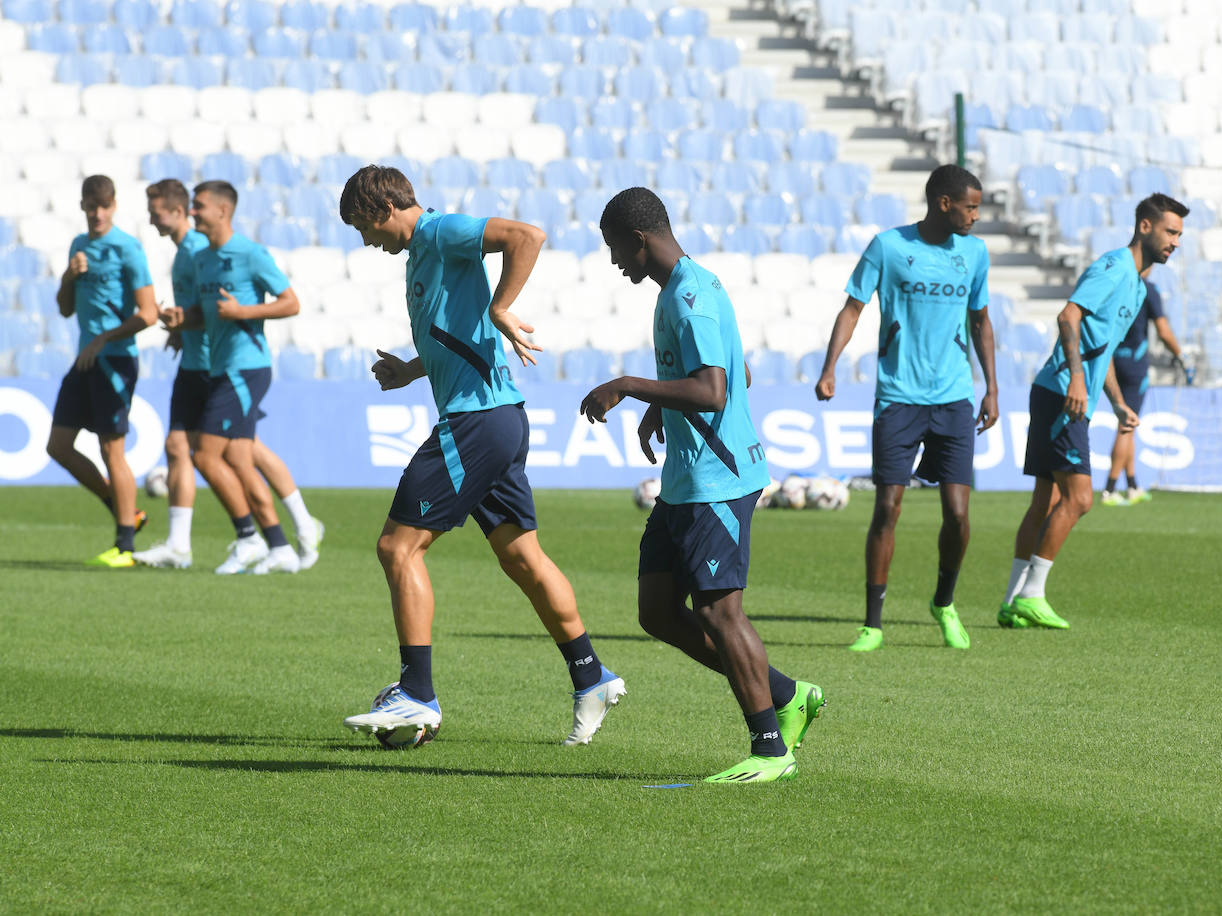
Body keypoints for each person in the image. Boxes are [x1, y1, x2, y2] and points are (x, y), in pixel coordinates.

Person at [335, 165, 624, 748]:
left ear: (385, 206)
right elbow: (452, 335)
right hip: (500, 418)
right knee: (522, 558)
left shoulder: (438, 232)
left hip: (477, 421)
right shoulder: (422, 257)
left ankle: (417, 694)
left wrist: (502, 305)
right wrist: (410, 370)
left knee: (398, 545)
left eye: (364, 226)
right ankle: (591, 676)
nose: (367, 241)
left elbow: (526, 236)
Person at [581, 186, 823, 784]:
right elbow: (730, 369)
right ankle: (788, 695)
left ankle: (771, 750)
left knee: (719, 612)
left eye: (616, 249)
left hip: (717, 479)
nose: (614, 263)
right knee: (658, 611)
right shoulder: (687, 288)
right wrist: (664, 406)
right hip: (686, 479)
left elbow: (714, 389)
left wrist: (632, 386)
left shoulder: (690, 298)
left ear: (640, 240)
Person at [814, 164, 998, 653]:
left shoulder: (974, 254)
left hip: (954, 398)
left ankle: (944, 602)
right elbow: (853, 307)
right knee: (887, 508)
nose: (976, 217)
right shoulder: (889, 247)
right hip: (898, 397)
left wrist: (992, 389)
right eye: (971, 207)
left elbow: (981, 320)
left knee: (958, 515)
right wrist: (830, 366)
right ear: (944, 203)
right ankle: (873, 624)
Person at [999, 193, 1189, 630]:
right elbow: (1068, 317)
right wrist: (1080, 382)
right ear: (1145, 226)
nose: (1176, 242)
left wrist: (1119, 403)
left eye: (1179, 234)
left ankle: (1011, 601)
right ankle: (1031, 594)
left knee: (1044, 501)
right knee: (1080, 499)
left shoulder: (1139, 287)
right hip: (1064, 394)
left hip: (1057, 391)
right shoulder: (1113, 267)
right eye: (1171, 232)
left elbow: (1097, 351)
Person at [134, 179, 324, 570]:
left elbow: (291, 303)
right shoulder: (204, 259)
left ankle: (252, 537)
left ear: (223, 210)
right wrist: (181, 321)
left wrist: (244, 312)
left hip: (246, 367)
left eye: (199, 206)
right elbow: (207, 313)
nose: (193, 212)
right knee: (238, 454)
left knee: (205, 455)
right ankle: (282, 545)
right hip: (219, 367)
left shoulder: (250, 254)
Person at [46, 175, 158, 567]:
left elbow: (149, 313)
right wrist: (68, 276)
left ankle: (125, 547)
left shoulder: (127, 248)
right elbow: (64, 308)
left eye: (104, 206)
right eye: (91, 207)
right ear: (82, 207)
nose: (97, 214)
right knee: (57, 446)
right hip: (85, 359)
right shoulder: (79, 246)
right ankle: (125, 509)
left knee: (112, 449)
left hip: (115, 360)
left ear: (113, 206)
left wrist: (103, 339)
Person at [1101, 278, 1193, 506]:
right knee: (1127, 425)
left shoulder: (1116, 286)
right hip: (1134, 363)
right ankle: (1110, 488)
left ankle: (1132, 485)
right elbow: (1163, 330)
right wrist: (1180, 356)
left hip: (1113, 361)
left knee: (1127, 425)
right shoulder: (1148, 289)